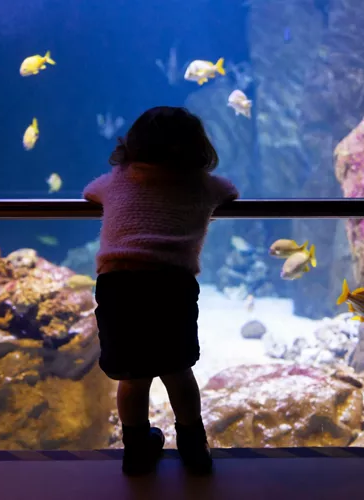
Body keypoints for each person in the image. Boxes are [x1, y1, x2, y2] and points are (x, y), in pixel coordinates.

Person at [82, 106, 239, 476]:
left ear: (131, 145)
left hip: (120, 285)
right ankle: (192, 447)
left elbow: (90, 192)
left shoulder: (118, 180)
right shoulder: (202, 184)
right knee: (178, 371)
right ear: (198, 148)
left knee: (132, 378)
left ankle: (136, 449)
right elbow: (230, 191)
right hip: (171, 285)